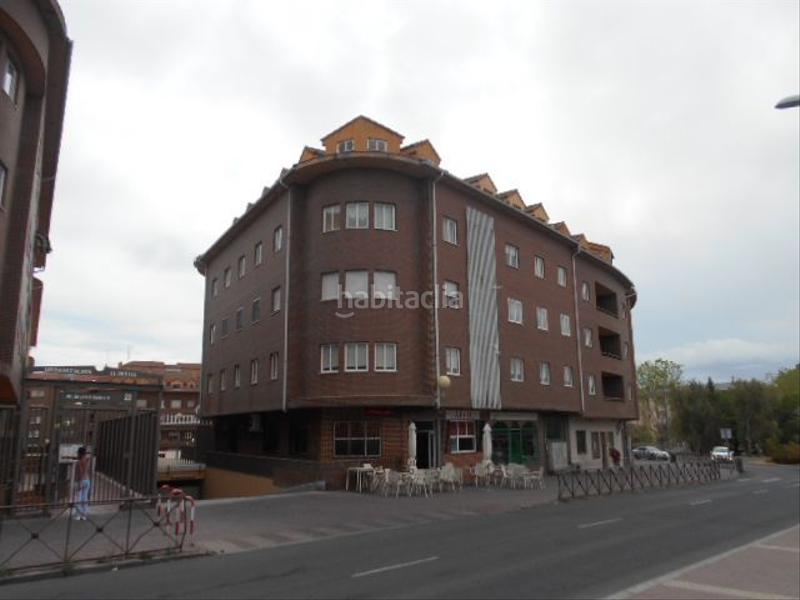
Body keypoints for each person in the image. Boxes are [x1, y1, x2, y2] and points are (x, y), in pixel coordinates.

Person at [74, 447, 92, 520]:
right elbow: (86, 470)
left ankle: (78, 515)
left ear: (79, 453)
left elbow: (81, 472)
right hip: (87, 480)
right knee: (85, 498)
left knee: (78, 498)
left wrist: (80, 482)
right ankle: (84, 515)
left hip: (81, 481)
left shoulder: (79, 462)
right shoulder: (87, 460)